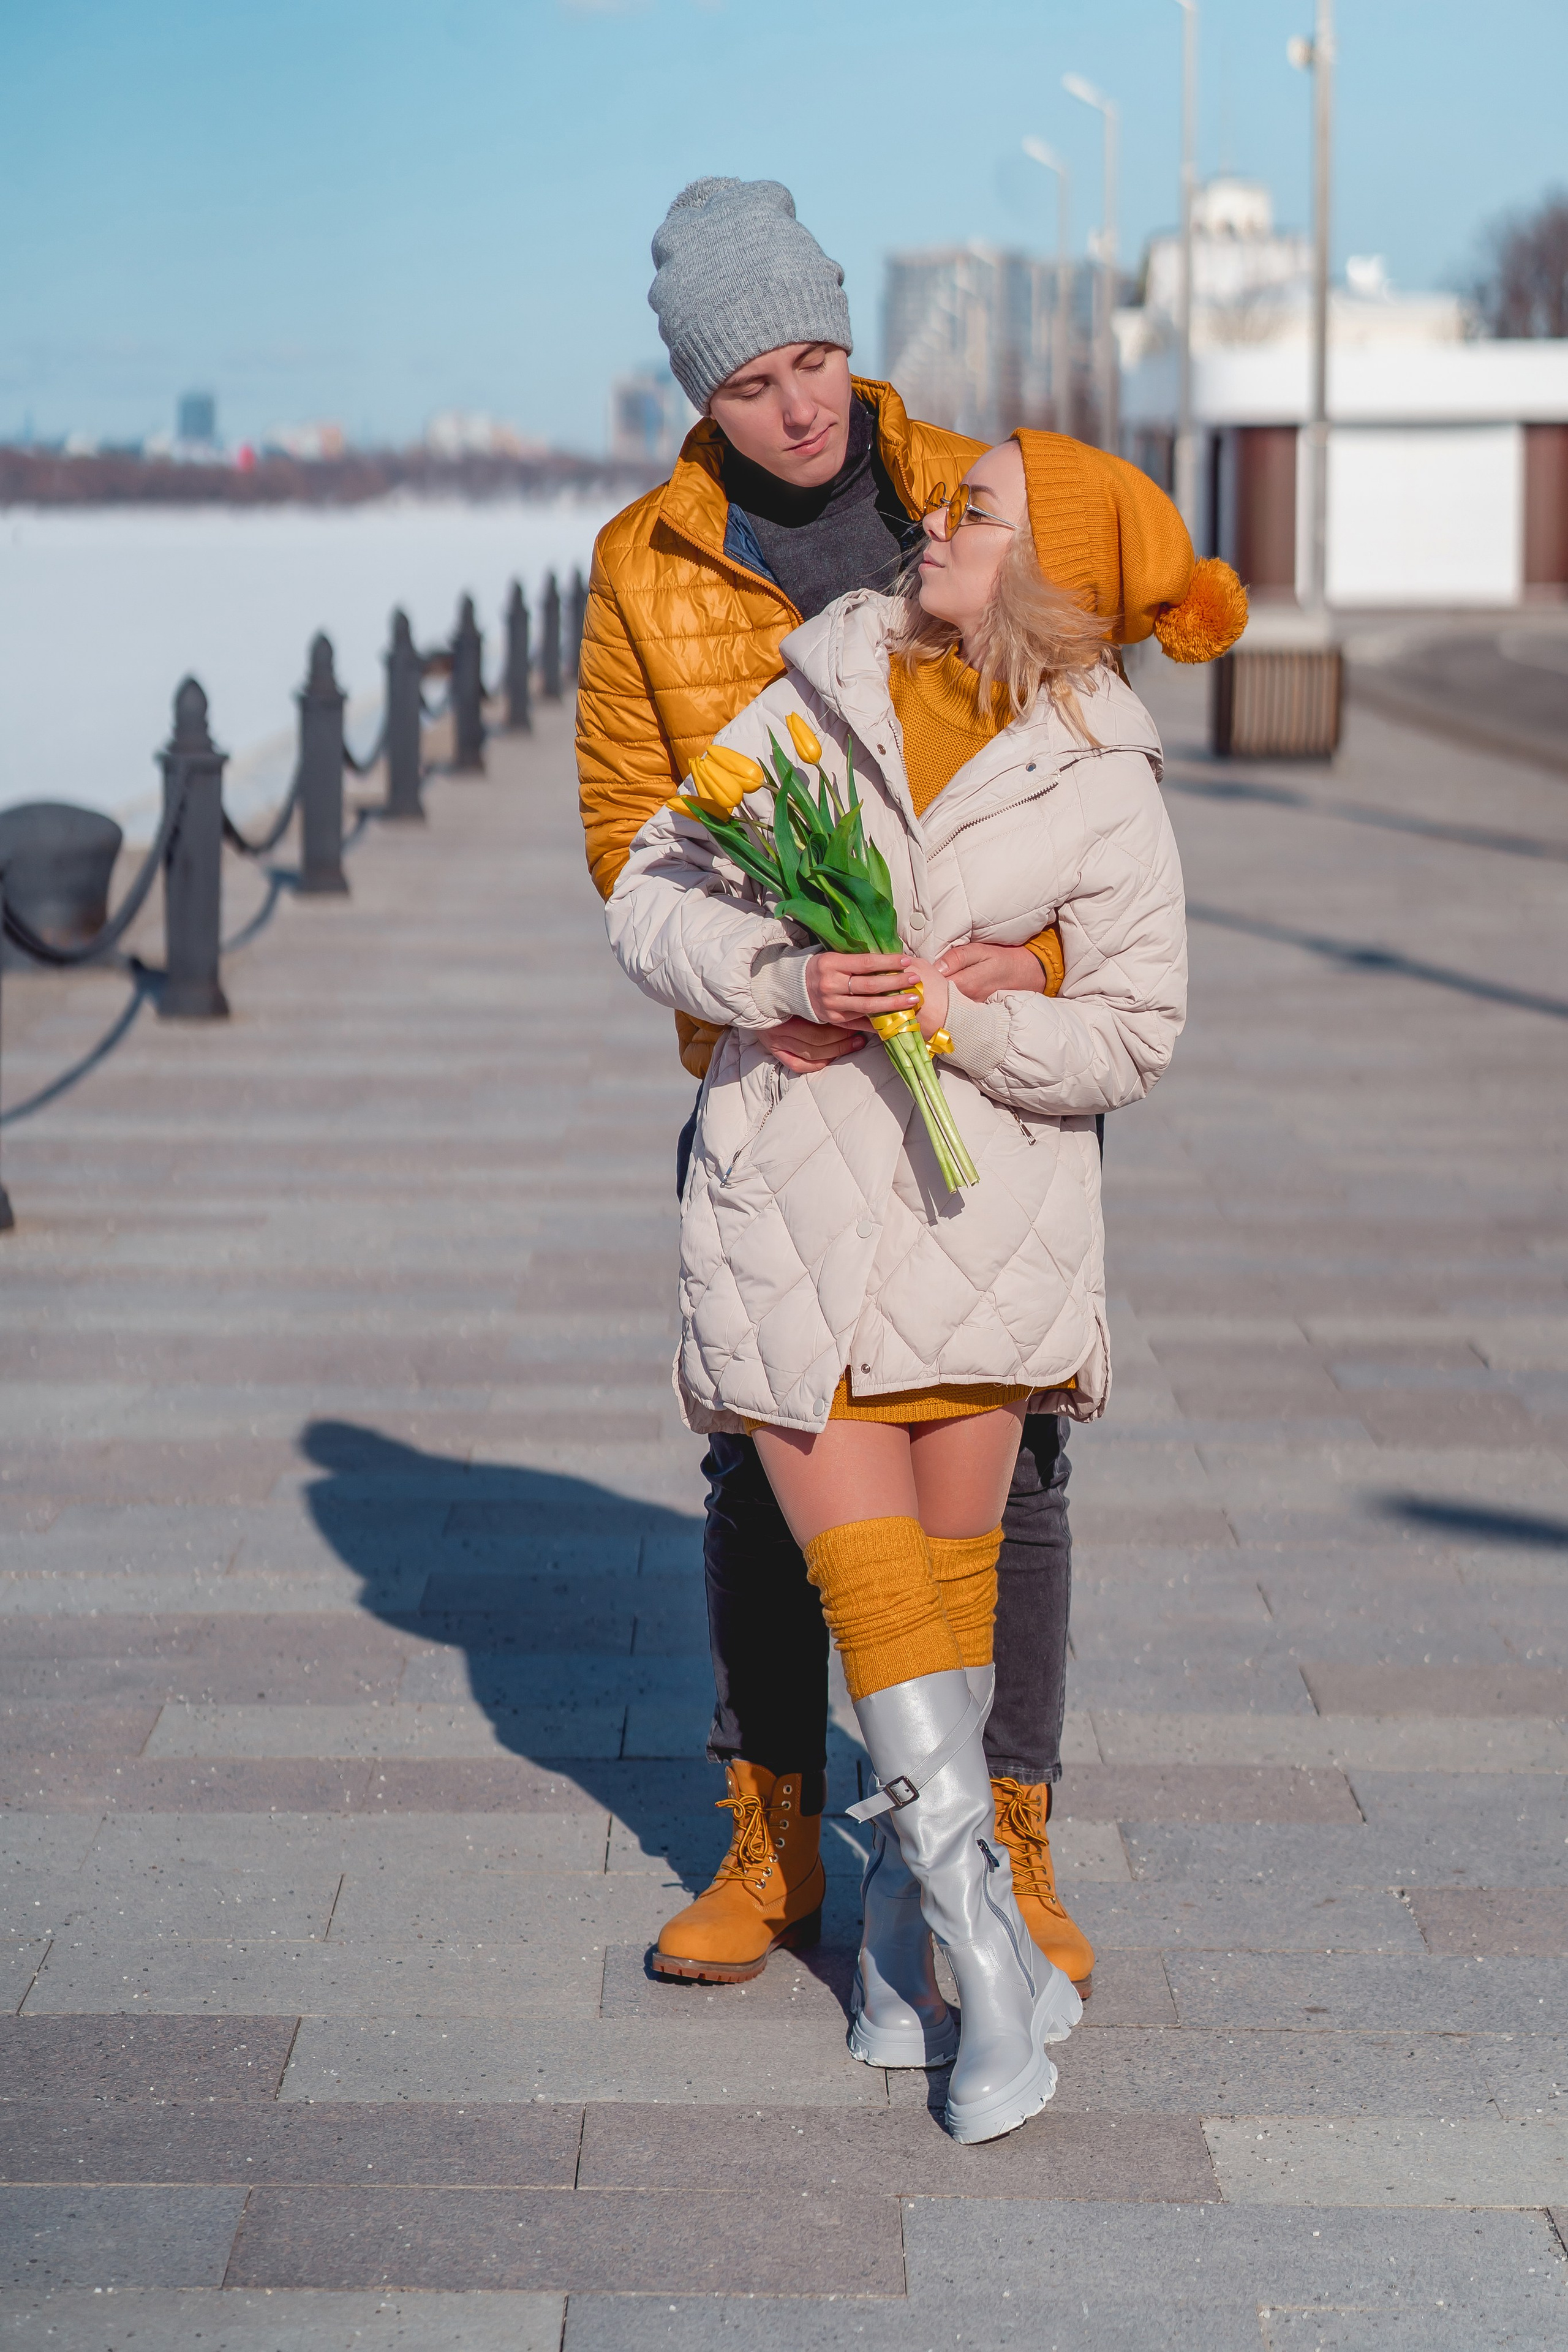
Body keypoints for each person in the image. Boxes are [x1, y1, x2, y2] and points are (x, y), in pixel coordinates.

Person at [605, 429, 1242, 2138]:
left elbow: (1137, 1029)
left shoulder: (1107, 770)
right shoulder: (825, 686)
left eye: (984, 512)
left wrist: (961, 1016)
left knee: (940, 1633)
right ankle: (982, 1956)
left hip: (982, 1238)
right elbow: (653, 890)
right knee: (877, 1606)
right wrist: (783, 967)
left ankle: (899, 1945)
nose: (940, 515)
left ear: (1063, 577)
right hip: (796, 1216)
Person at [577, 177, 1101, 1997]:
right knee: (756, 1448)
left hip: (975, 1078)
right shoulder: (643, 566)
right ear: (698, 399)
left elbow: (1095, 779)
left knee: (1008, 1454)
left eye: (818, 358)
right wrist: (771, 988)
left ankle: (1001, 1843)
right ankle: (779, 1832)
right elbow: (625, 849)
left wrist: (1026, 972)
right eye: (753, 384)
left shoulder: (983, 495)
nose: (800, 409)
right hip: (783, 1085)